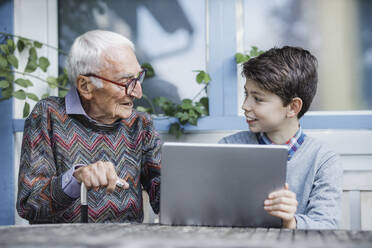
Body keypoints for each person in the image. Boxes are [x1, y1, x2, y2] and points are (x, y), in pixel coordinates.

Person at [16, 30, 161, 223]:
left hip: (128, 241)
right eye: (125, 82)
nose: (137, 92)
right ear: (85, 86)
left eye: (138, 78)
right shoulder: (47, 115)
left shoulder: (140, 124)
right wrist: (75, 179)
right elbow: (29, 204)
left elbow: (163, 195)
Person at [219, 46, 342, 229]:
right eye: (246, 94)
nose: (245, 105)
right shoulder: (228, 148)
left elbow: (326, 225)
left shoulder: (323, 161)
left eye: (258, 99)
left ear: (292, 107)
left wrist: (290, 222)